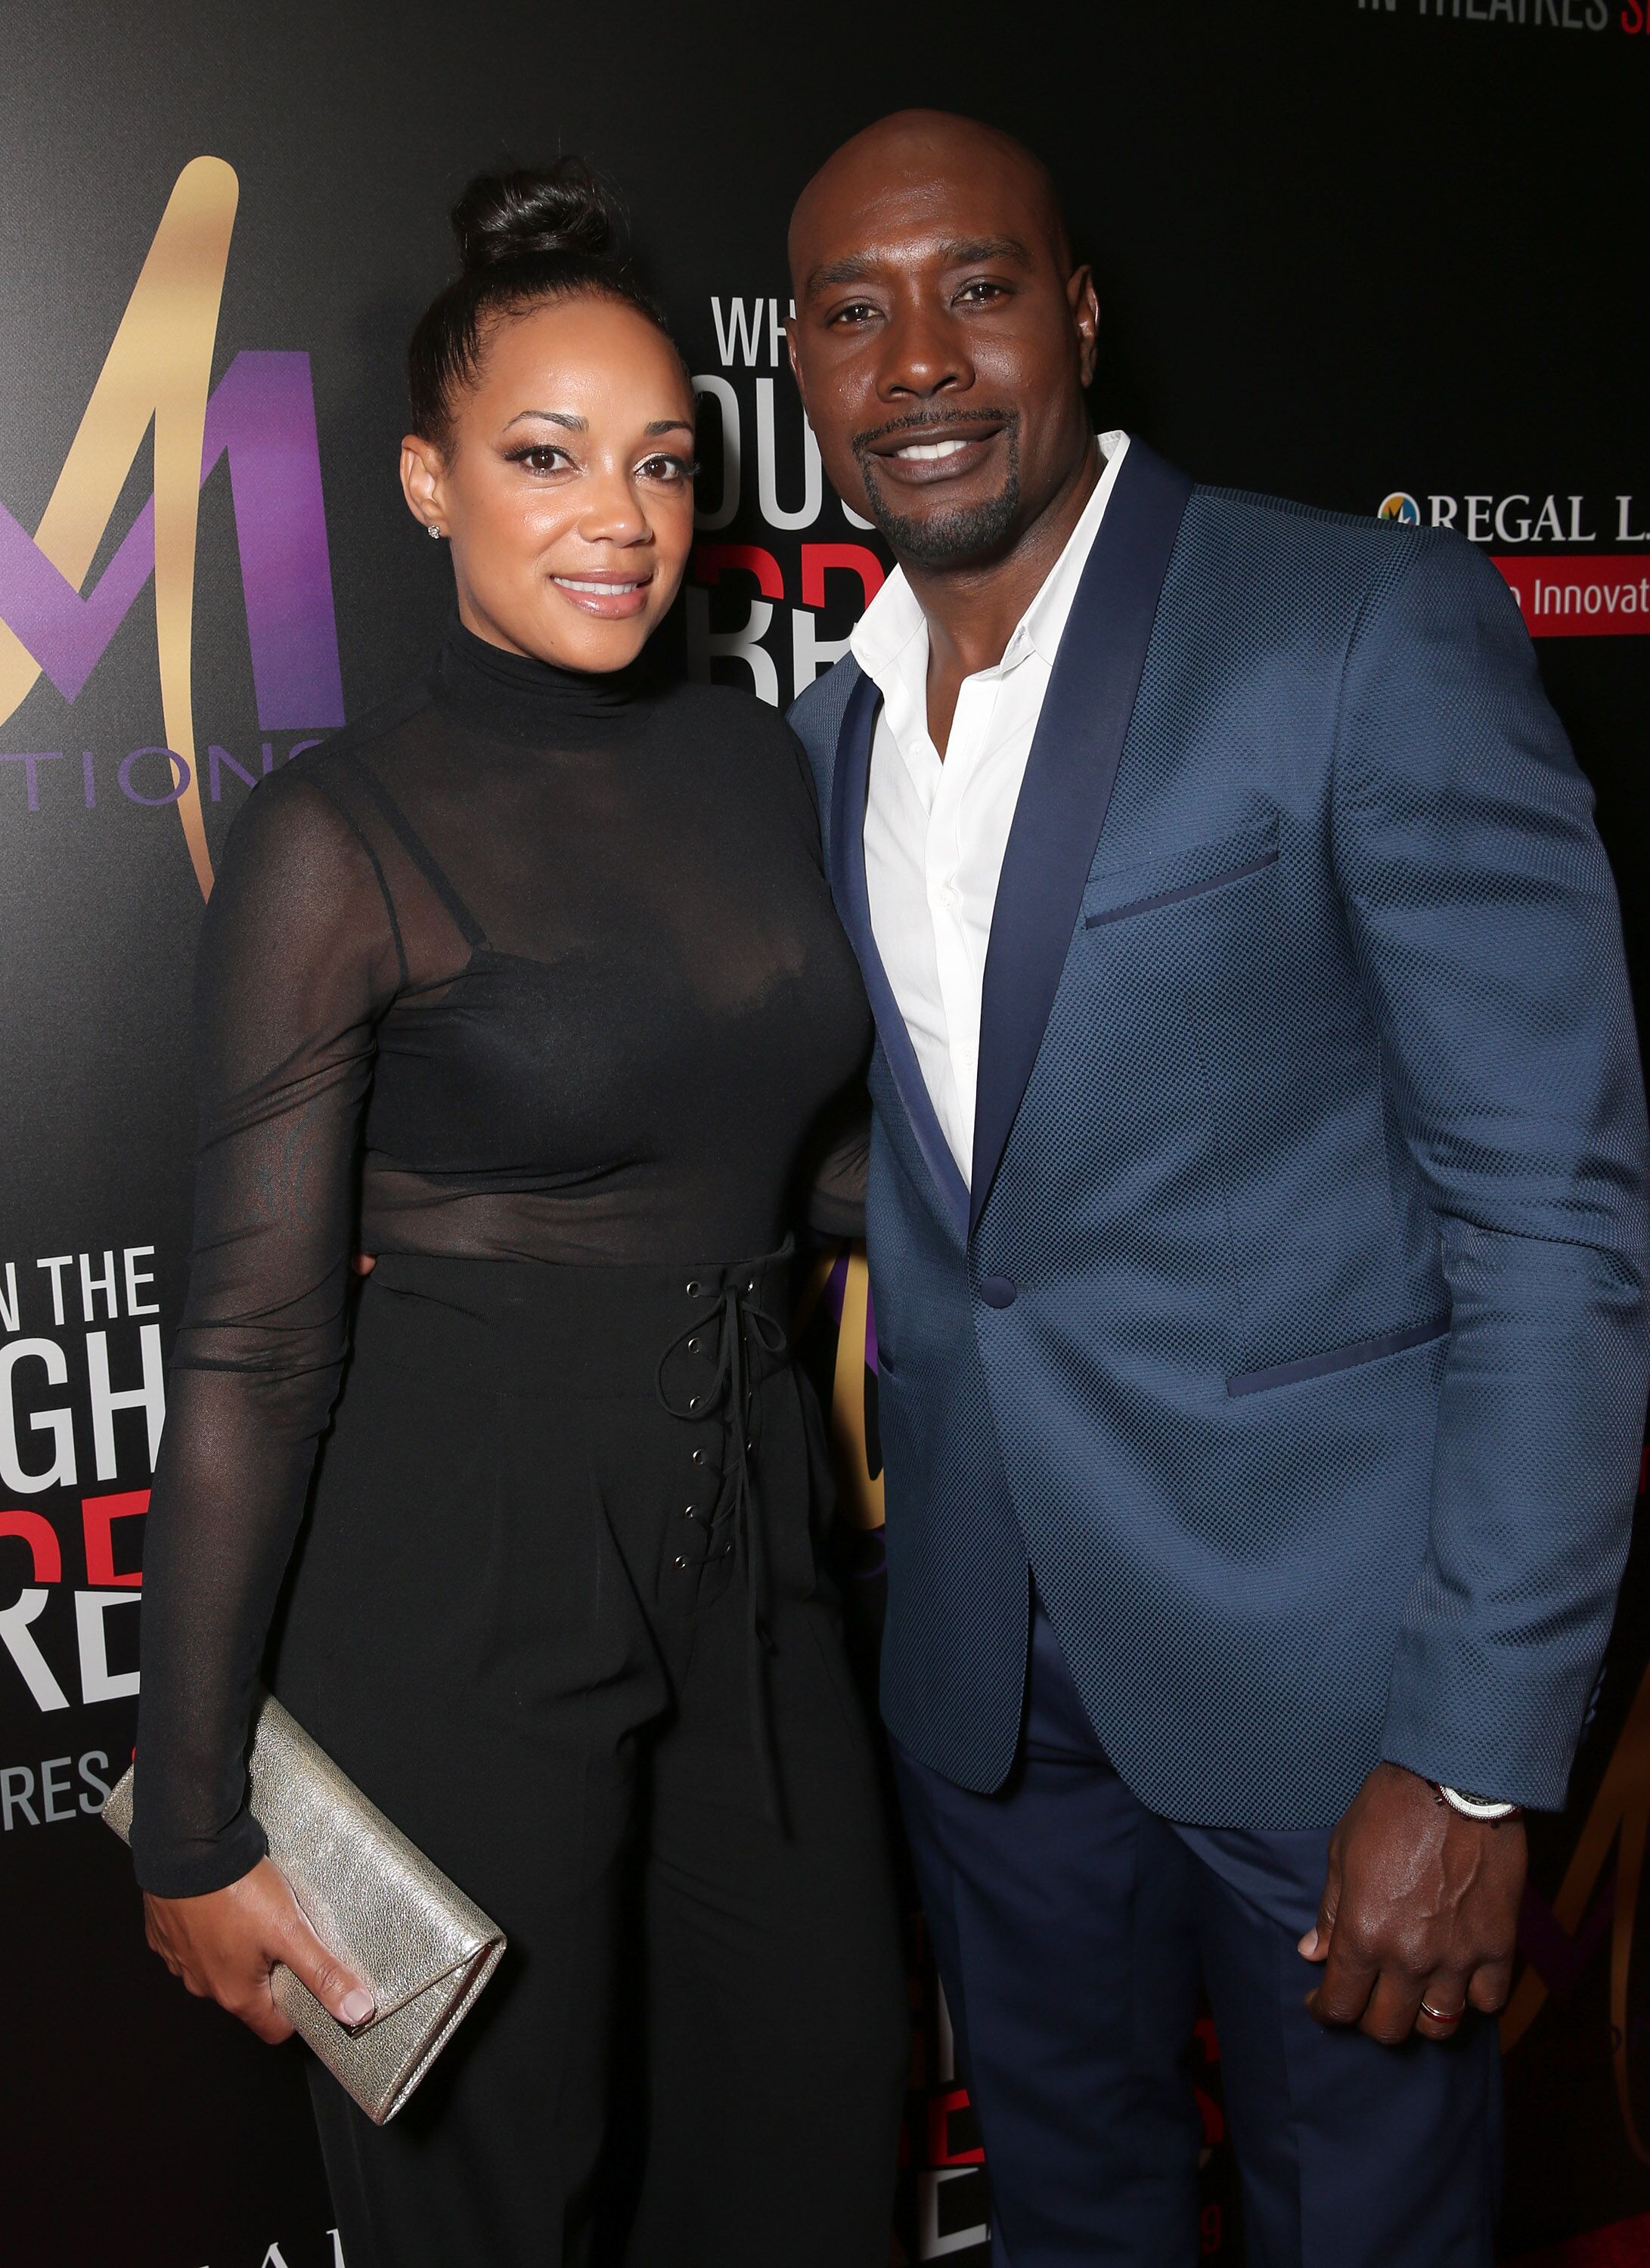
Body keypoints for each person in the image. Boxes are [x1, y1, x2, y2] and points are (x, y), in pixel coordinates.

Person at [783, 109, 1649, 2267]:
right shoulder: (829, 729)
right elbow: (969, 1173)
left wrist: (1469, 1763)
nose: (917, 361)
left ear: (1077, 316)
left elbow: (1555, 1217)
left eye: (975, 288)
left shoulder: (1355, 621)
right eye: (848, 313)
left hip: (1336, 1691)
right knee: (1075, 2227)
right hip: (991, 1698)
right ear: (797, 373)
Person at [131, 160, 907, 2268]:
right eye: (546, 458)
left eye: (663, 463)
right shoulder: (334, 839)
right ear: (422, 480)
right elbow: (258, 1347)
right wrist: (183, 1813)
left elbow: (771, 1155)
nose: (622, 518)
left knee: (821, 2161)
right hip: (456, 1585)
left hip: (757, 1572)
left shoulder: (759, 767)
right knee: (490, 2213)